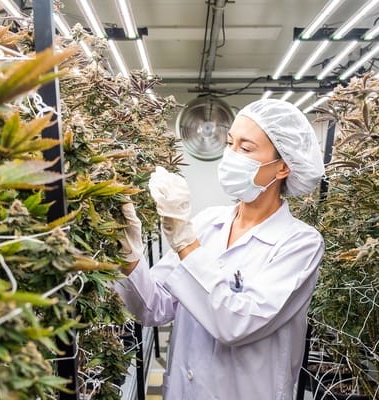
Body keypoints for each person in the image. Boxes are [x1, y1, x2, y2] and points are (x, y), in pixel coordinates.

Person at [116, 99, 325, 400]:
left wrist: (187, 244)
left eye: (246, 148)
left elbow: (235, 325)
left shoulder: (300, 244)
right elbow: (154, 308)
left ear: (282, 167)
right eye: (230, 143)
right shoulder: (208, 222)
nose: (231, 155)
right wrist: (129, 256)